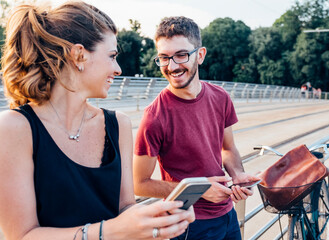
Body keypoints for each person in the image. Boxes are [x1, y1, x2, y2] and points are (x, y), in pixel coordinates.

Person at [0, 2, 194, 240]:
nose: (118, 68)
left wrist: (156, 219)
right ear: (79, 55)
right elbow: (21, 236)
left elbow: (125, 209)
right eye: (112, 56)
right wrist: (107, 232)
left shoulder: (118, 125)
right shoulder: (14, 128)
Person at [133, 16, 260, 240]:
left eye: (181, 55)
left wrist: (238, 174)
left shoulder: (220, 97)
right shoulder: (154, 117)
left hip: (227, 215)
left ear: (200, 55)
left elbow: (228, 148)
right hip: (188, 223)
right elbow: (139, 184)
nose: (172, 66)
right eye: (164, 58)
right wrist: (197, 189)